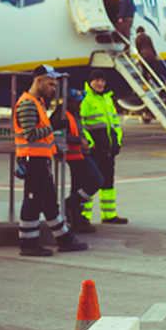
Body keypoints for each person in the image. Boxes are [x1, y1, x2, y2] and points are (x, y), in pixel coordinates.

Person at [12, 65, 88, 257]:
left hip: (40, 160)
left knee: (49, 202)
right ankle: (28, 244)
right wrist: (53, 127)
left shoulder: (38, 102)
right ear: (39, 80)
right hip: (33, 160)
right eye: (51, 84)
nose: (54, 89)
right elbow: (30, 134)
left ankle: (64, 239)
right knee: (33, 202)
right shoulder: (28, 103)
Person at [81, 69, 129, 225]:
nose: (100, 84)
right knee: (90, 182)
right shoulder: (86, 100)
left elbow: (116, 124)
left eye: (102, 81)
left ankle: (109, 215)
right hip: (94, 150)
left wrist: (118, 142)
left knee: (108, 182)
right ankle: (83, 216)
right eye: (97, 81)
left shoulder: (108, 101)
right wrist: (90, 143)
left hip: (108, 151)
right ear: (90, 82)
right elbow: (80, 125)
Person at [59, 89, 103, 234]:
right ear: (68, 102)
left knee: (77, 187)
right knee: (96, 180)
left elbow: (78, 131)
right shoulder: (62, 116)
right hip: (74, 156)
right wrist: (80, 141)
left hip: (80, 154)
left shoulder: (74, 115)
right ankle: (69, 204)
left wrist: (87, 142)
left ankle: (76, 220)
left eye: (80, 102)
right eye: (75, 102)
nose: (78, 105)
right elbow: (60, 136)